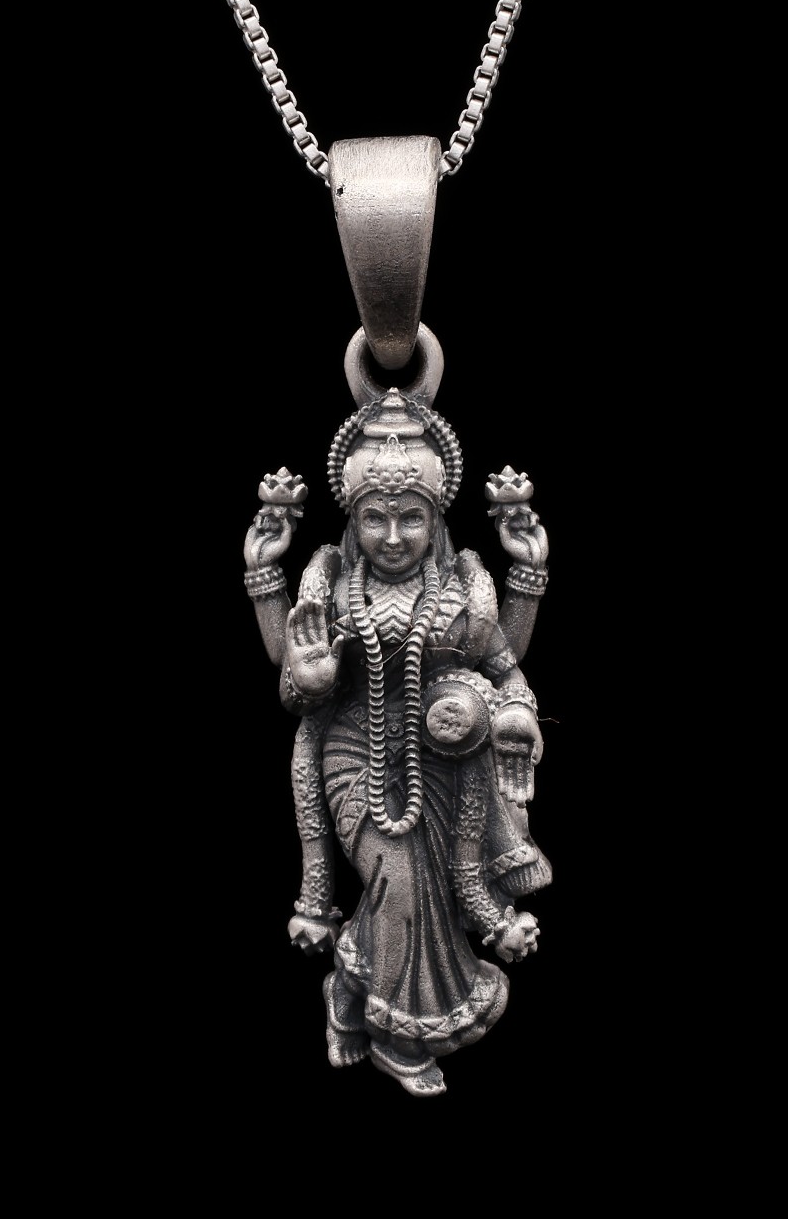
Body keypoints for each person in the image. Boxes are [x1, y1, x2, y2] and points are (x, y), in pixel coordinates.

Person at [243, 388, 551, 1097]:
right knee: (400, 888)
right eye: (374, 518)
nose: (391, 536)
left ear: (435, 519)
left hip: (444, 763)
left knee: (430, 898)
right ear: (353, 521)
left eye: (410, 517)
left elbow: (504, 667)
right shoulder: (334, 591)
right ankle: (396, 1041)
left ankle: (348, 997)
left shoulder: (460, 593)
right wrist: (269, 586)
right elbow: (291, 676)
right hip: (353, 757)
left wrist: (527, 584)